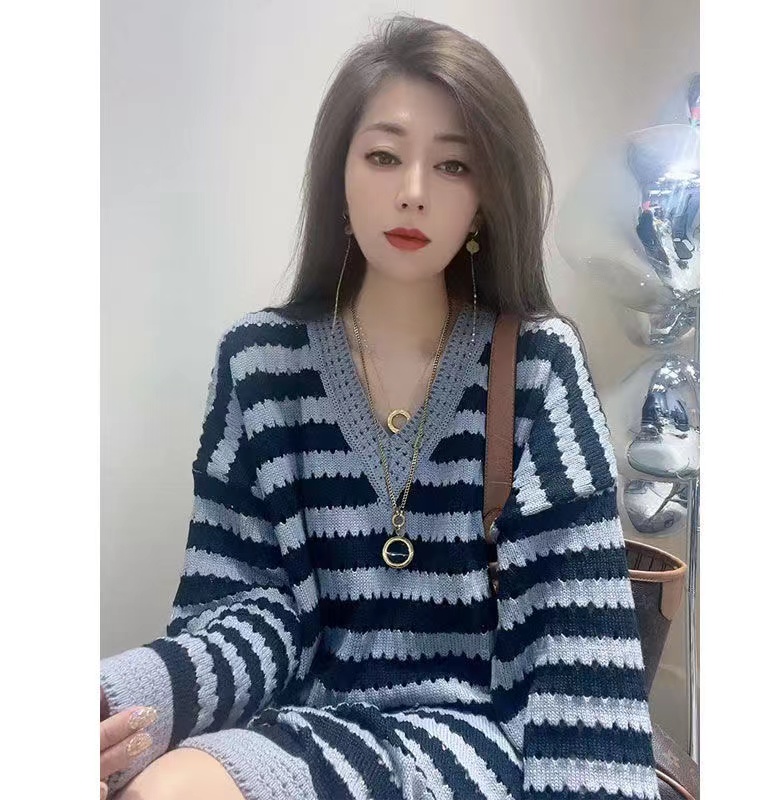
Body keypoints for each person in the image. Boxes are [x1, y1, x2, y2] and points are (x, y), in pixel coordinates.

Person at [100, 13, 662, 800]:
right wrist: (121, 700)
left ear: (486, 199)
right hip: (295, 729)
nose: (413, 193)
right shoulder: (260, 364)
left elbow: (578, 650)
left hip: (469, 743)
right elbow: (244, 612)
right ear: (340, 174)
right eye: (384, 156)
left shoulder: (538, 367)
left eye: (454, 165)